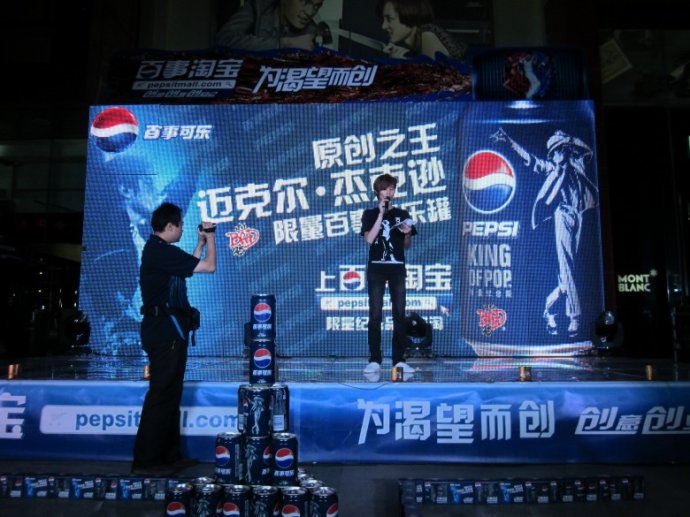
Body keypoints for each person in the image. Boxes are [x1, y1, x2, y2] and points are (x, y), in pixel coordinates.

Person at [131, 202, 217, 475]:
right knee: (161, 395)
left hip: (168, 331)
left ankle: (169, 456)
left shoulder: (160, 251)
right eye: (179, 225)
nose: (181, 229)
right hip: (164, 331)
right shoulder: (159, 251)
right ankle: (147, 461)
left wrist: (200, 243)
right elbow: (209, 267)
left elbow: (187, 267)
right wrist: (211, 238)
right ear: (169, 226)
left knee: (170, 394)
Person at [490, 128, 599, 337]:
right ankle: (574, 317)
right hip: (562, 215)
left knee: (567, 276)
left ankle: (549, 309)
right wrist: (510, 142)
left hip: (580, 215)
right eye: (555, 152)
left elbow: (588, 151)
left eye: (560, 150)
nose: (557, 154)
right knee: (567, 268)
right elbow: (529, 159)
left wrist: (569, 139)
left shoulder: (578, 164)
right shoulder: (551, 168)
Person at [361, 174, 417, 379]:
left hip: (397, 270)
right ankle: (375, 360)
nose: (389, 192)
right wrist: (381, 214)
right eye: (385, 189)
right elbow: (369, 239)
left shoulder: (402, 214)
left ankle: (399, 360)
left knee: (399, 315)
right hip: (376, 269)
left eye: (392, 189)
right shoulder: (369, 213)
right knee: (375, 314)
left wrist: (407, 233)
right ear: (378, 191)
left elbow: (406, 245)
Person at [215, 0, 325, 52]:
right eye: (305, 2)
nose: (310, 12)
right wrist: (283, 43)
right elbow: (224, 38)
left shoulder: (310, 32)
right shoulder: (257, 8)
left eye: (317, 6)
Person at [376, 0, 467, 61]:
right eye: (383, 20)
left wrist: (399, 63)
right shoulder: (419, 39)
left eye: (390, 19)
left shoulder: (427, 35)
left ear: (409, 13)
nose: (383, 26)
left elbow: (432, 79)